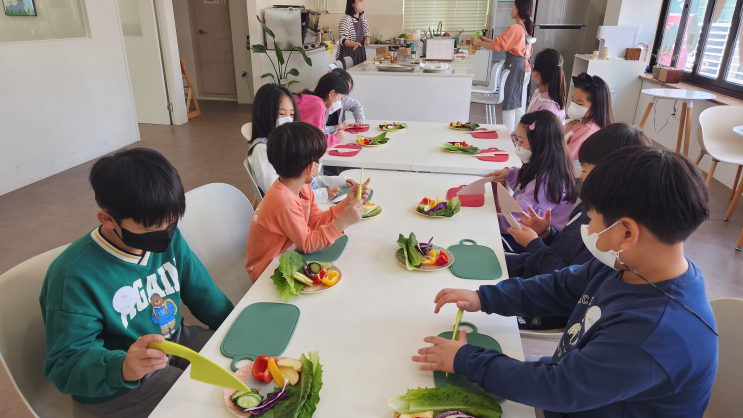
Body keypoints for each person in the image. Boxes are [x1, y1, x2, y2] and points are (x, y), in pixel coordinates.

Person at [411, 147, 717, 418]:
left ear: (627, 232)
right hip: (570, 392)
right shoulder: (629, 263)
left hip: (565, 397)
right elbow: (557, 287)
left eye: (592, 218)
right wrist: (485, 298)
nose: (588, 227)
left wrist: (468, 361)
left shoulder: (657, 334)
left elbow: (559, 388)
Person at [40, 149, 234, 418]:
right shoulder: (72, 276)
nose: (166, 234)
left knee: (238, 361)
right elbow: (65, 363)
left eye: (171, 222)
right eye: (150, 228)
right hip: (118, 381)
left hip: (174, 338)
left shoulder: (169, 235)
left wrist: (234, 323)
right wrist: (122, 368)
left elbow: (201, 290)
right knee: (207, 404)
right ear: (107, 219)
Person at [507, 123, 653, 330]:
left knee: (476, 298)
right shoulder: (589, 206)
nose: (579, 176)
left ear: (612, 173)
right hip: (536, 272)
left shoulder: (611, 231)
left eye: (585, 169)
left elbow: (568, 281)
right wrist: (547, 234)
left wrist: (534, 245)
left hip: (549, 303)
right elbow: (567, 247)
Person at [245, 122, 370, 282]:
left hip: (286, 255)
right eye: (320, 158)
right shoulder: (283, 202)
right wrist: (341, 223)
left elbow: (316, 221)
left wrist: (345, 205)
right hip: (266, 269)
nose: (321, 161)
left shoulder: (302, 188)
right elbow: (308, 244)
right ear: (311, 167)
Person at [486, 110, 577, 252]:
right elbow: (525, 184)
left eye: (521, 142)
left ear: (539, 144)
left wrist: (485, 220)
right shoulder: (547, 165)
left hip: (538, 242)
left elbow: (519, 220)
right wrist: (510, 173)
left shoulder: (546, 183)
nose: (518, 147)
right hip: (528, 232)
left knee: (482, 240)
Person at [247, 83, 354, 201]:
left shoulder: (286, 143)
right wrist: (323, 194)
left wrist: (340, 181)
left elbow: (308, 178)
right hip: (294, 210)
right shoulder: (262, 150)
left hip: (307, 202)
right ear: (261, 114)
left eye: (292, 114)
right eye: (281, 114)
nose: (288, 119)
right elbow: (282, 197)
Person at [474, 0, 534, 132]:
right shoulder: (524, 27)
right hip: (525, 69)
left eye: (513, 6)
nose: (511, 9)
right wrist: (485, 40)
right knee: (520, 105)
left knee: (510, 105)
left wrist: (478, 43)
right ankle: (519, 136)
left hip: (516, 69)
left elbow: (496, 46)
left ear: (518, 8)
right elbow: (501, 43)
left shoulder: (515, 28)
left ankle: (508, 137)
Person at [510, 48, 566, 144]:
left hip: (535, 150)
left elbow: (539, 140)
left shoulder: (548, 106)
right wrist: (514, 136)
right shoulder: (538, 93)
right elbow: (527, 123)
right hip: (526, 142)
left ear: (536, 73)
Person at [564, 73, 613, 160]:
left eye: (579, 104)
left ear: (595, 106)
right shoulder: (579, 120)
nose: (573, 106)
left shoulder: (586, 132)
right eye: (572, 100)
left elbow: (564, 161)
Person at [294, 71, 350, 149]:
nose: (340, 102)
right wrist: (336, 138)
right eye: (341, 98)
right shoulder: (318, 106)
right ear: (332, 93)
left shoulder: (309, 99)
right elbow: (315, 141)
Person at [324, 68, 365, 134]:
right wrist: (334, 128)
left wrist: (359, 121)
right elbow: (317, 131)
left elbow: (356, 106)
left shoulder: (342, 99)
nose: (344, 96)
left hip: (334, 137)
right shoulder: (319, 106)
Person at [337, 0, 370, 67]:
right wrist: (354, 44)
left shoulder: (363, 18)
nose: (362, 2)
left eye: (362, 1)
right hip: (348, 55)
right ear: (352, 4)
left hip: (360, 54)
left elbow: (367, 33)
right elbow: (342, 40)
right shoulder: (346, 19)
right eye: (359, 0)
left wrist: (367, 39)